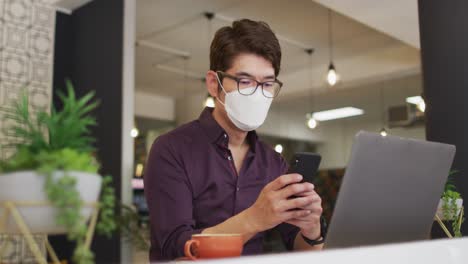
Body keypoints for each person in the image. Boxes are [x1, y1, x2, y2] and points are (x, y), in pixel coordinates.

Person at [144, 19, 324, 262]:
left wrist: (311, 230)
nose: (257, 94)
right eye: (245, 81)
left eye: (267, 84)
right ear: (213, 84)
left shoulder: (273, 162)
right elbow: (175, 250)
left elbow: (301, 248)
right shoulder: (171, 149)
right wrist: (255, 218)